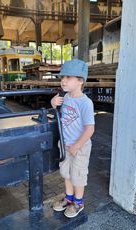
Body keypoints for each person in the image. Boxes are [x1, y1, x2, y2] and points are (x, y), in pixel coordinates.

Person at [51, 59, 95, 218]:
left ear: (80, 81)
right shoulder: (65, 96)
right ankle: (69, 198)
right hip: (65, 144)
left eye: (68, 77)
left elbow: (90, 128)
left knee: (78, 175)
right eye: (62, 77)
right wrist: (53, 102)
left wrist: (77, 145)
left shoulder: (86, 103)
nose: (63, 80)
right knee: (66, 173)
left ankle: (78, 202)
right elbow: (55, 108)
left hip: (80, 146)